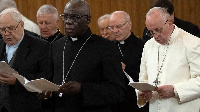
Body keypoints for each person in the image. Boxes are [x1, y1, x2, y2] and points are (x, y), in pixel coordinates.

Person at [38, 0, 125, 111]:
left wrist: (83, 89)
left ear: (87, 19)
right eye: (66, 16)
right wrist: (47, 94)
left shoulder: (105, 47)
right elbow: (51, 82)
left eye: (75, 17)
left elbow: (118, 91)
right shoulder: (56, 46)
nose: (68, 22)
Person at [137, 7, 200, 112]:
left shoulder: (193, 43)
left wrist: (175, 90)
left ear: (170, 23)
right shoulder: (148, 45)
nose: (155, 36)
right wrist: (142, 93)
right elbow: (143, 79)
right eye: (151, 32)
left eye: (158, 30)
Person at [0, 8, 51, 112]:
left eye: (11, 28)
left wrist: (18, 81)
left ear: (22, 25)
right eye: (2, 29)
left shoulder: (40, 46)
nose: (6, 33)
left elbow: (46, 76)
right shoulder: (0, 44)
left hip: (26, 106)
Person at [109, 11, 148, 112]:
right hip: (115, 102)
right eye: (112, 27)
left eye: (118, 26)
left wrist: (125, 68)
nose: (115, 30)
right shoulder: (108, 48)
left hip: (135, 102)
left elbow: (147, 76)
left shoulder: (143, 46)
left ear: (129, 25)